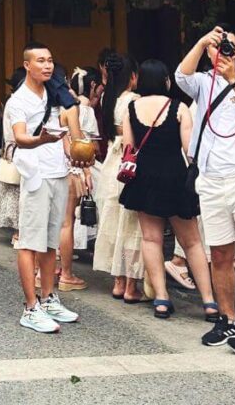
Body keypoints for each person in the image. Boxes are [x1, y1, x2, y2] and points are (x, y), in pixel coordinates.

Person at [118, 59, 217, 320]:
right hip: (174, 176)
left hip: (144, 178)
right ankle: (209, 301)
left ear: (140, 80)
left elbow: (128, 147)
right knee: (193, 242)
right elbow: (189, 149)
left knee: (151, 239)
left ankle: (161, 299)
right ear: (166, 81)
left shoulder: (130, 108)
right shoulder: (179, 107)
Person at [175, 27, 235, 354]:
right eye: (218, 47)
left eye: (229, 47)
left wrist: (234, 78)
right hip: (210, 180)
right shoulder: (202, 83)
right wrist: (203, 41)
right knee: (220, 254)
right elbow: (180, 75)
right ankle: (228, 319)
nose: (222, 51)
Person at [10, 44, 79, 333]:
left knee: (50, 241)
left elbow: (73, 114)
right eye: (40, 61)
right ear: (27, 65)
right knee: (29, 242)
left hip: (57, 172)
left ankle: (49, 298)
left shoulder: (54, 94)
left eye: (50, 60)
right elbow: (20, 137)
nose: (47, 65)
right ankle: (30, 306)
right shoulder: (18, 100)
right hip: (35, 174)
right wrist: (43, 140)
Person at [93, 54, 144, 302]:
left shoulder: (106, 98)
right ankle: (131, 286)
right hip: (129, 164)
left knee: (112, 224)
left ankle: (117, 282)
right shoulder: (135, 101)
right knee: (131, 226)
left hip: (110, 166)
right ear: (133, 77)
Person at [58, 68, 102, 292]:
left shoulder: (42, 105)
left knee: (50, 221)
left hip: (46, 169)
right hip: (69, 169)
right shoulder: (71, 108)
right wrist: (86, 172)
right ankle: (66, 274)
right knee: (67, 222)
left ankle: (42, 271)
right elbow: (78, 145)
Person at [0, 67, 26, 244]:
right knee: (17, 192)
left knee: (15, 193)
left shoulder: (13, 101)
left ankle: (19, 232)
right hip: (17, 150)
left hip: (13, 150)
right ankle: (19, 232)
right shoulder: (17, 102)